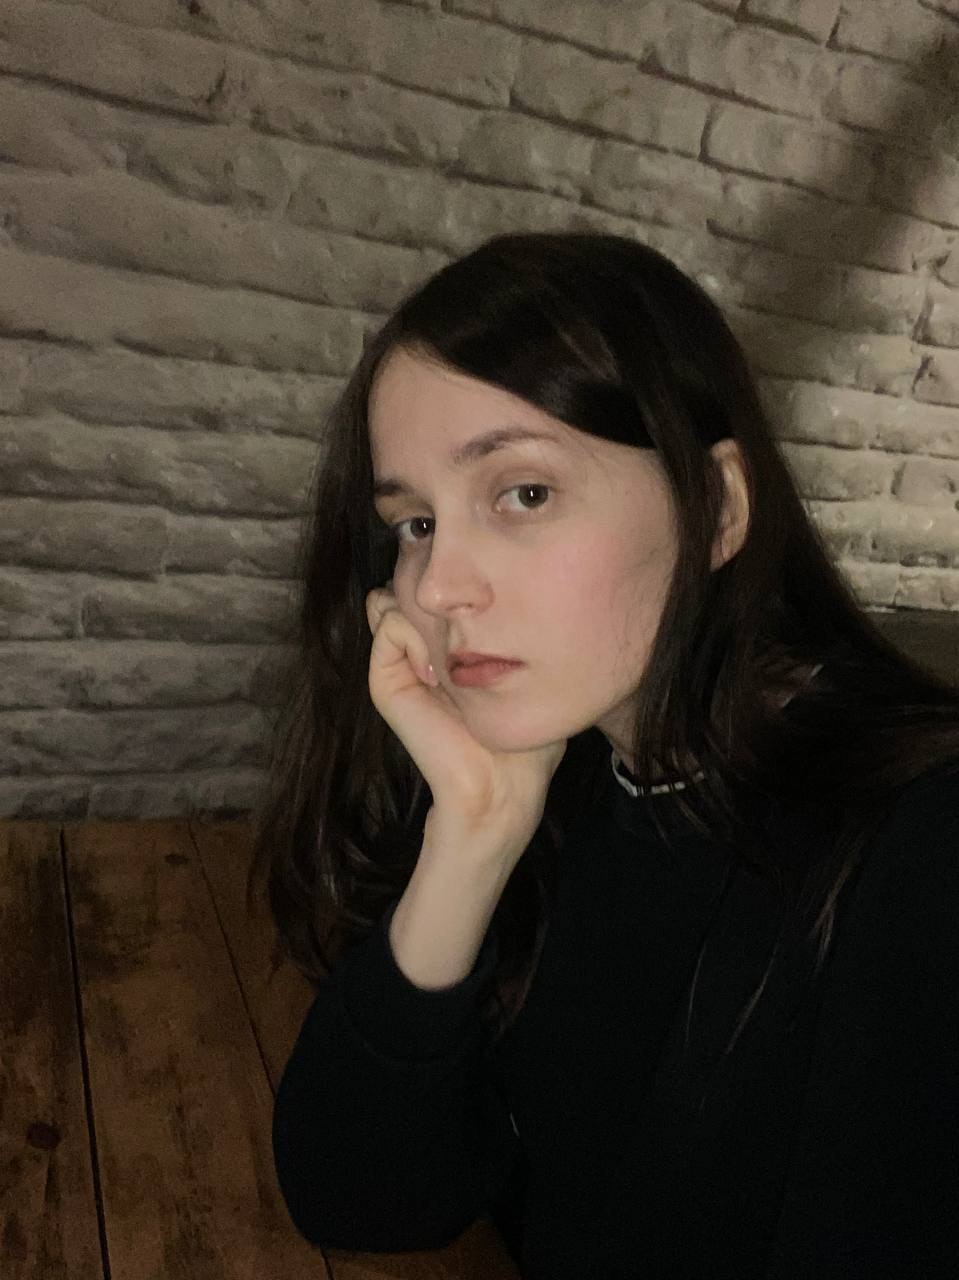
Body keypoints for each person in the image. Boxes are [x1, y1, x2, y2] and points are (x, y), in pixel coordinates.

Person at [250, 232, 959, 1279]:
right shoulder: (567, 771)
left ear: (715, 509)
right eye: (414, 522)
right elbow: (359, 1192)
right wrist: (473, 835)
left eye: (523, 493)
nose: (436, 587)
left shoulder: (919, 849)